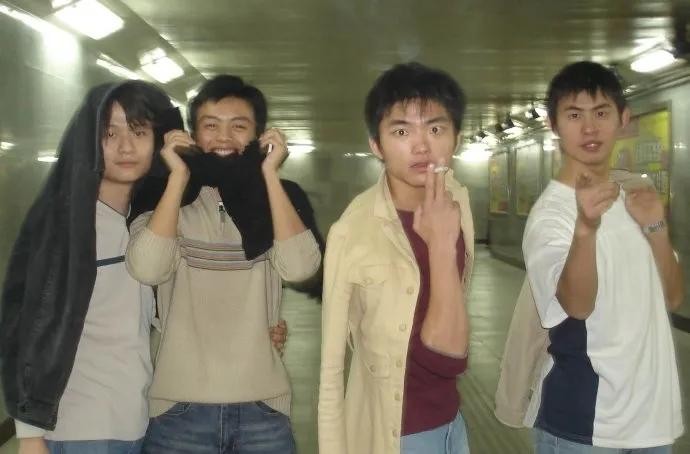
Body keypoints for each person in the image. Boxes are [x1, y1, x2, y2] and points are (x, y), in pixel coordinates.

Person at [125, 74, 322, 454]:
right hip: (178, 412)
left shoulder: (279, 199)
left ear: (259, 135)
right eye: (211, 126)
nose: (224, 137)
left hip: (263, 410)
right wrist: (178, 177)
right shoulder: (162, 197)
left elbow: (300, 268)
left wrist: (270, 175)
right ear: (192, 135)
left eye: (239, 126)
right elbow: (147, 268)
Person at [0, 81, 179, 454]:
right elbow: (28, 324)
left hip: (138, 419)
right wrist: (30, 434)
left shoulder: (147, 222)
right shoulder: (68, 225)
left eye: (139, 132)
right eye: (109, 134)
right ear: (88, 142)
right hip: (81, 426)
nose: (125, 147)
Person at [522, 61, 684, 453]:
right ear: (554, 125)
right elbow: (577, 305)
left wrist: (656, 228)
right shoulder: (551, 216)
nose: (589, 128)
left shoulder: (634, 201)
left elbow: (673, 298)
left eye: (601, 113)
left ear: (623, 119)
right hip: (585, 425)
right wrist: (586, 228)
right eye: (574, 115)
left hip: (653, 423)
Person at [318, 62, 475, 454]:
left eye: (435, 129)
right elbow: (332, 369)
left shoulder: (457, 199)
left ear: (456, 138)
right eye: (402, 131)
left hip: (453, 423)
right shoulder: (352, 232)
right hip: (398, 436)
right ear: (377, 144)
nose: (421, 146)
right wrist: (441, 245)